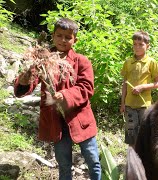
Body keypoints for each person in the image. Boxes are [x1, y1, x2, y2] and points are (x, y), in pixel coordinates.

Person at [14, 18, 101, 180]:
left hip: (80, 120)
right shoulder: (44, 60)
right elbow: (28, 83)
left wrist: (65, 95)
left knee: (93, 160)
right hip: (56, 122)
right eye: (59, 35)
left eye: (68, 37)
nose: (63, 40)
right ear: (52, 36)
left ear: (75, 39)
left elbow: (86, 88)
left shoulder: (81, 61)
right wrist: (24, 81)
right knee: (63, 163)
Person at [120, 31, 158, 147]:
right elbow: (125, 84)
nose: (137, 47)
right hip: (129, 105)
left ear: (147, 46)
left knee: (145, 133)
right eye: (135, 44)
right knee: (131, 133)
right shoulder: (128, 62)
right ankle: (132, 157)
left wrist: (143, 87)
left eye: (141, 44)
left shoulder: (151, 62)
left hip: (144, 105)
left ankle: (144, 159)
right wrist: (122, 103)